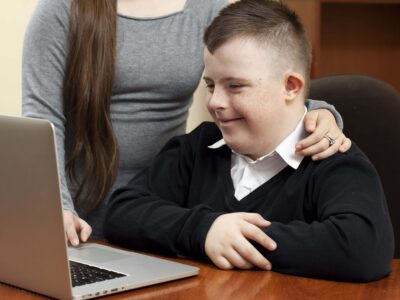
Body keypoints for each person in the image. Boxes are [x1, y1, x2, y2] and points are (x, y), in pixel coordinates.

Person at [104, 0, 394, 282]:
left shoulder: (333, 160)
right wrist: (206, 230)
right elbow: (122, 212)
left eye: (235, 86)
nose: (215, 102)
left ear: (290, 87)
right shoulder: (195, 149)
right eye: (210, 85)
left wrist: (237, 240)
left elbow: (362, 248)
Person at [22, 0, 350, 246]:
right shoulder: (61, 10)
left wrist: (318, 111)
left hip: (164, 215)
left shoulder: (206, 8)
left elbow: (260, 69)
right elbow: (44, 119)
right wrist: (56, 210)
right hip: (79, 224)